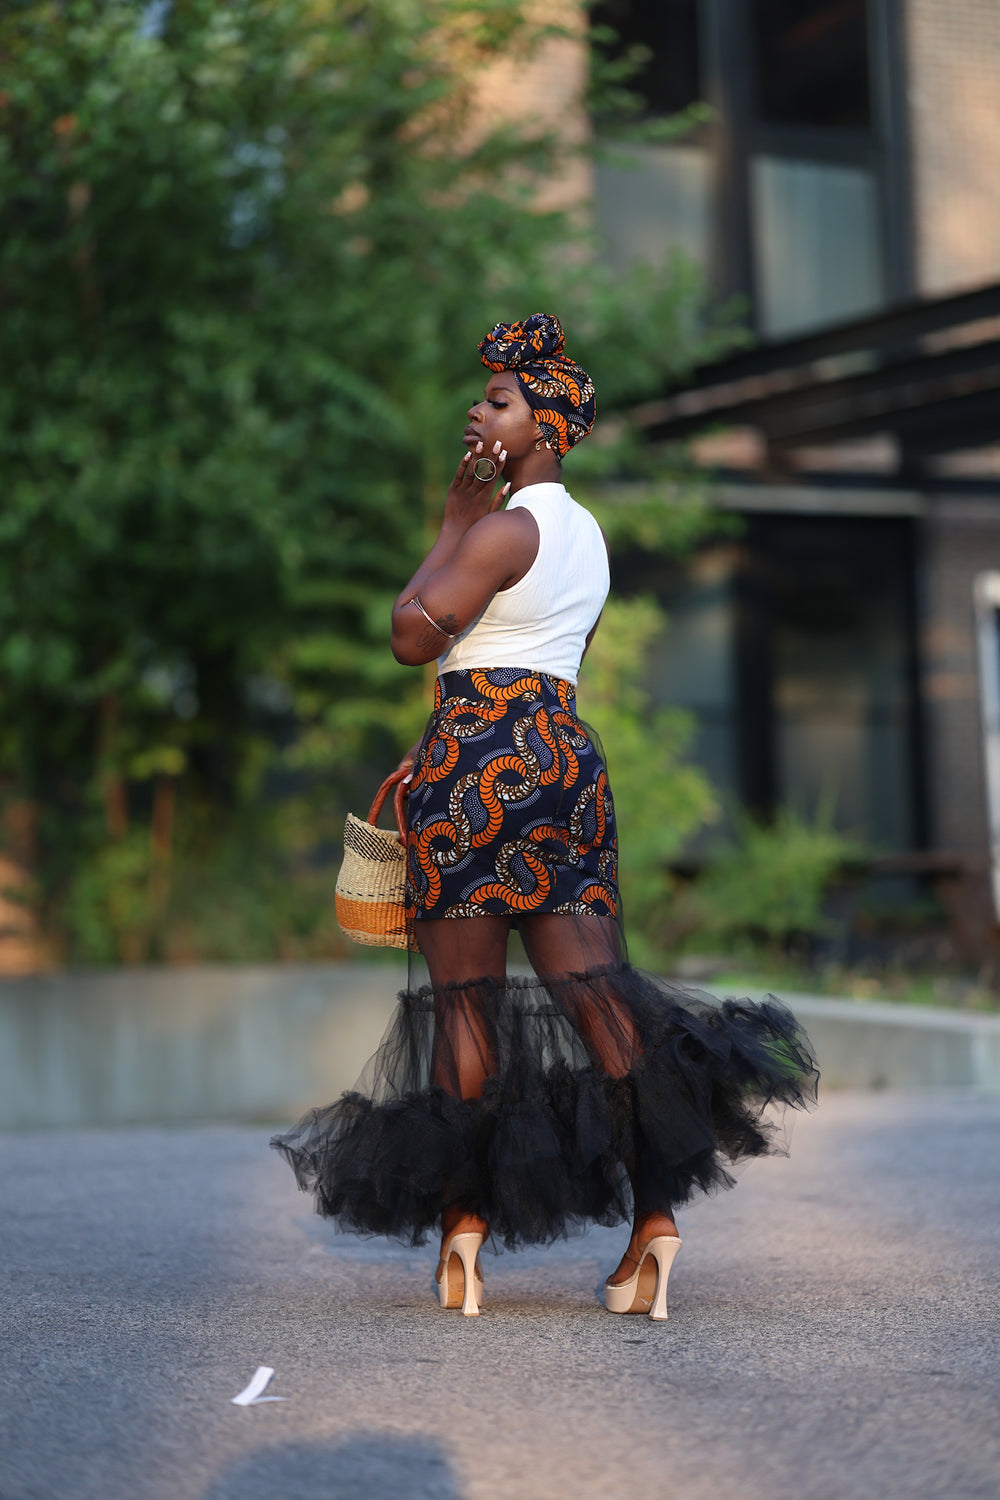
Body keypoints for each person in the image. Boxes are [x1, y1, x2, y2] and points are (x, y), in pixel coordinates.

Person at [272, 313, 817, 1320]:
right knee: (598, 998)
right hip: (561, 758)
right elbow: (530, 654)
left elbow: (407, 636)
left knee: (466, 1009)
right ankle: (654, 1223)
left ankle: (464, 1236)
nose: (477, 411)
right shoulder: (587, 537)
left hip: (472, 769)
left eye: (498, 402)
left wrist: (449, 521)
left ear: (543, 429)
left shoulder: (499, 528)